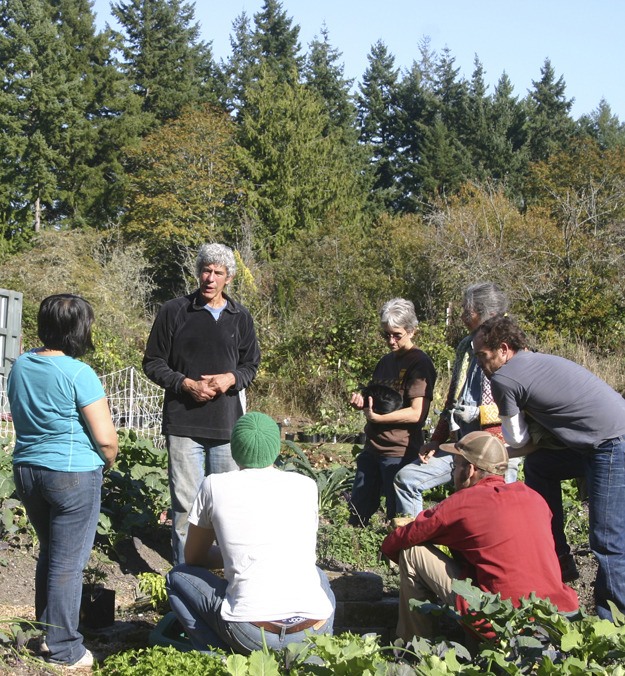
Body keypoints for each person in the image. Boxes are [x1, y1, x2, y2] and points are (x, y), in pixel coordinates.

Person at [472, 314, 625, 620]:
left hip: (611, 444)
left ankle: (615, 627)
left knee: (608, 540)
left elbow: (516, 439)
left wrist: (486, 452)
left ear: (503, 349)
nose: (480, 364)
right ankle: (560, 555)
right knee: (541, 466)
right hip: (596, 439)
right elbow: (533, 446)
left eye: (482, 356)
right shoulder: (537, 360)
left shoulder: (504, 378)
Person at [382, 431, 579, 643]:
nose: (453, 472)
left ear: (470, 470)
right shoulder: (534, 498)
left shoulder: (465, 502)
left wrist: (391, 543)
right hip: (554, 616)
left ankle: (414, 647)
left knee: (413, 551)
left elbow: (403, 539)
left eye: (455, 466)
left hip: (501, 621)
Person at [7, 294, 118, 668]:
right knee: (68, 563)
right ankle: (66, 648)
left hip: (27, 472)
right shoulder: (78, 373)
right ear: (80, 330)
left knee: (52, 554)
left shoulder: (21, 365)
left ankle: (46, 633)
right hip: (71, 474)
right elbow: (105, 437)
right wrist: (110, 461)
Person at [166, 412, 335, 655]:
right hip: (313, 630)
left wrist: (236, 556)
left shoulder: (215, 485)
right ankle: (317, 655)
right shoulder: (306, 485)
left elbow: (193, 558)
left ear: (234, 450)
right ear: (277, 449)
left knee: (177, 577)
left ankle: (217, 657)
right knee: (318, 576)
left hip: (252, 632)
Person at [143, 243, 260, 565]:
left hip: (225, 426)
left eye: (217, 273)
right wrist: (186, 384)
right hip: (183, 425)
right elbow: (153, 362)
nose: (210, 278)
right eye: (205, 270)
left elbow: (251, 365)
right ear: (197, 273)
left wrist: (230, 379)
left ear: (229, 278)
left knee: (227, 505)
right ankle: (186, 577)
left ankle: (229, 576)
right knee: (186, 506)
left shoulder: (240, 317)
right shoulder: (174, 311)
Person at [394, 283, 519, 519]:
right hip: (459, 446)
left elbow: (516, 407)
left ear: (487, 314)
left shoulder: (508, 348)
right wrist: (437, 440)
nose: (462, 316)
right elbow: (454, 398)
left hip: (495, 449)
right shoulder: (465, 346)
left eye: (467, 311)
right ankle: (411, 544)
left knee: (494, 509)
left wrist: (479, 414)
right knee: (407, 479)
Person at [348, 298, 436, 526]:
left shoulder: (420, 364)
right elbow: (377, 399)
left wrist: (379, 418)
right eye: (386, 334)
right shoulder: (386, 361)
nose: (391, 340)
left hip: (398, 451)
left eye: (397, 335)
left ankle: (395, 559)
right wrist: (363, 403)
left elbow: (417, 414)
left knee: (397, 517)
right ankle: (356, 550)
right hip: (373, 447)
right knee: (358, 510)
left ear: (412, 331)